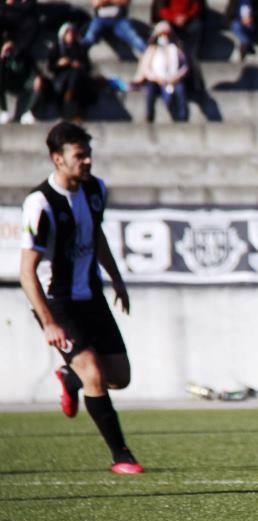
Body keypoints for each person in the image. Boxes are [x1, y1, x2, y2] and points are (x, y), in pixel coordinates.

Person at [19, 121, 143, 475]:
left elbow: (96, 234)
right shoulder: (40, 203)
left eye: (88, 154)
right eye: (79, 155)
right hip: (59, 303)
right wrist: (49, 323)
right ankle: (122, 456)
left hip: (92, 296)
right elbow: (27, 271)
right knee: (93, 373)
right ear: (57, 159)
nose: (87, 161)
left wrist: (116, 278)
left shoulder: (95, 190)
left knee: (119, 377)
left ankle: (69, 378)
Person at [43, 23, 100, 122]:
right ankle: (68, 99)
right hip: (61, 81)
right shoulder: (57, 48)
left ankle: (70, 98)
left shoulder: (80, 48)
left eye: (72, 33)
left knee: (76, 75)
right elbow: (50, 68)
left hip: (79, 82)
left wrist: (79, 65)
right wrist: (60, 64)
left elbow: (88, 67)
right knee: (73, 77)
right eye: (68, 33)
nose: (71, 35)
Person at [133, 21, 189, 122]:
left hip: (174, 78)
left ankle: (183, 116)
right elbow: (145, 68)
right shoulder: (152, 49)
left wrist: (177, 76)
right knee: (150, 90)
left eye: (166, 34)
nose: (164, 37)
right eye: (161, 34)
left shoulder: (176, 48)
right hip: (156, 79)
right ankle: (149, 115)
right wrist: (156, 78)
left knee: (181, 89)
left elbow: (184, 66)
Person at [151, 0, 205, 92]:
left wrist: (185, 16)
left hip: (189, 22)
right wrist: (174, 18)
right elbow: (160, 9)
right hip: (170, 22)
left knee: (190, 53)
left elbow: (198, 6)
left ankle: (194, 83)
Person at [80, 0, 148, 57]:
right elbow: (96, 3)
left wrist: (106, 2)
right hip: (100, 20)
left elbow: (125, 2)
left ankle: (149, 54)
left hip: (119, 20)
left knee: (135, 38)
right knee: (89, 37)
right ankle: (79, 54)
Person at [0, 37, 42, 124]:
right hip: (9, 83)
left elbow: (35, 69)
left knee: (38, 83)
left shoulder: (24, 55)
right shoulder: (4, 57)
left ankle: (28, 112)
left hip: (23, 83)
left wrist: (38, 77)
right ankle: (4, 111)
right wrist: (2, 57)